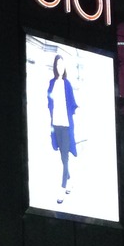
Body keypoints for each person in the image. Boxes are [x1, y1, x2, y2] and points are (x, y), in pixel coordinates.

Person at [47, 53, 78, 204]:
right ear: (55, 66)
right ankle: (70, 182)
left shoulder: (68, 84)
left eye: (62, 64)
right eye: (58, 64)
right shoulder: (51, 83)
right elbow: (49, 103)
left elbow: (73, 105)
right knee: (62, 157)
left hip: (66, 126)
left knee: (65, 159)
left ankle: (62, 189)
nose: (60, 67)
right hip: (56, 125)